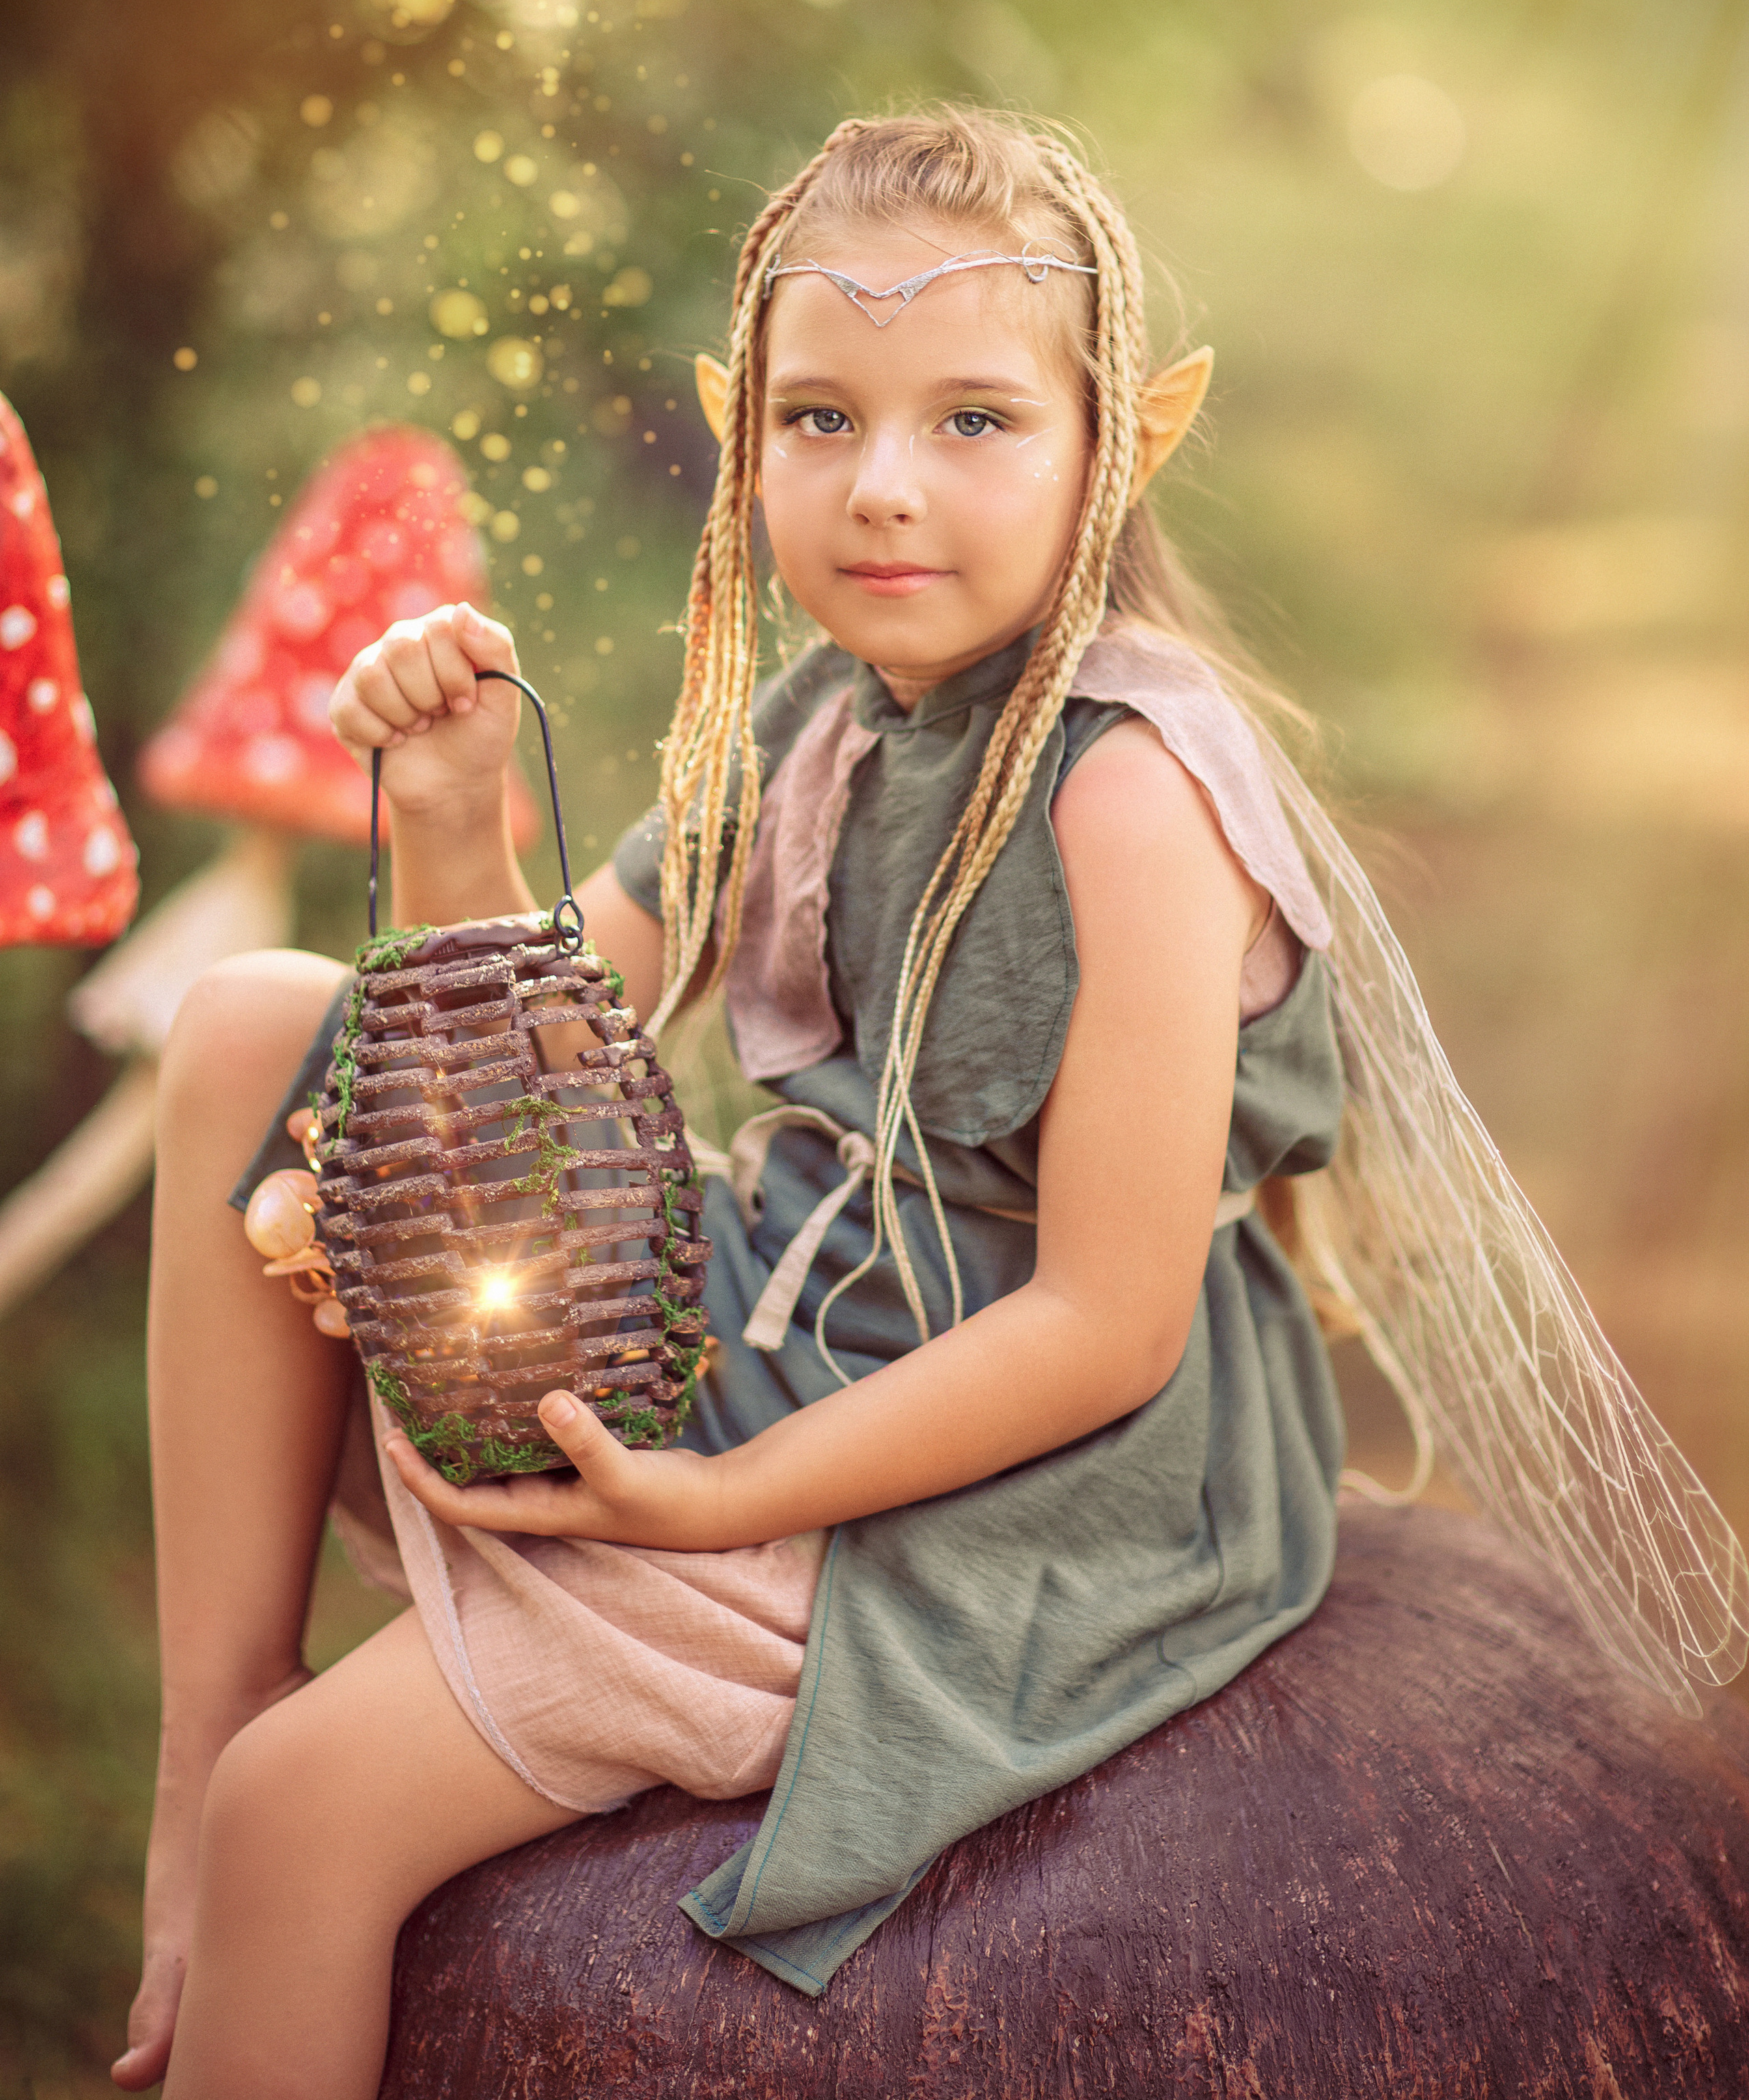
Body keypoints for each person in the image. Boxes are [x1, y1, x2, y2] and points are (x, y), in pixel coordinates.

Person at [113, 109, 1746, 2097]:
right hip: (787, 1303)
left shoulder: (1137, 792)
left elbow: (1104, 1324)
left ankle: (257, 1810)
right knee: (242, 1026)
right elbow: (539, 1056)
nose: (884, 491)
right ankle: (207, 1728)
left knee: (309, 1822)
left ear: (1122, 438)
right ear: (745, 432)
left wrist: (711, 1504)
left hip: (999, 1453)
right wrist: (454, 830)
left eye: (975, 421)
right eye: (819, 421)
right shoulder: (811, 715)